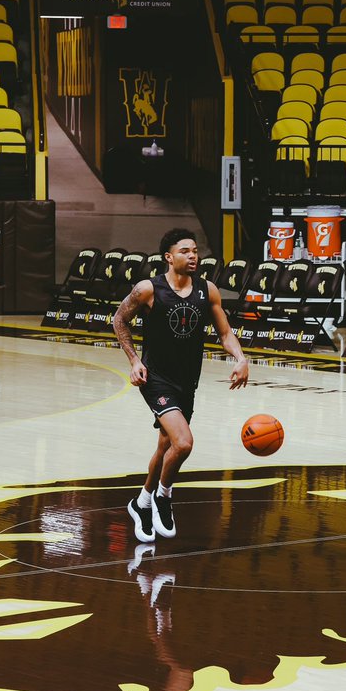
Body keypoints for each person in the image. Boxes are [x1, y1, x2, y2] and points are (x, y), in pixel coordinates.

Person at [112, 227, 249, 542]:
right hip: (156, 379)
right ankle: (163, 496)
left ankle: (141, 502)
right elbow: (119, 320)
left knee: (166, 445)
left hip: (187, 380)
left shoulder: (207, 290)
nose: (193, 256)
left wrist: (240, 358)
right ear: (168, 257)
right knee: (184, 443)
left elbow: (225, 333)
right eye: (185, 251)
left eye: (195, 251)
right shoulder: (148, 289)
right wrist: (134, 360)